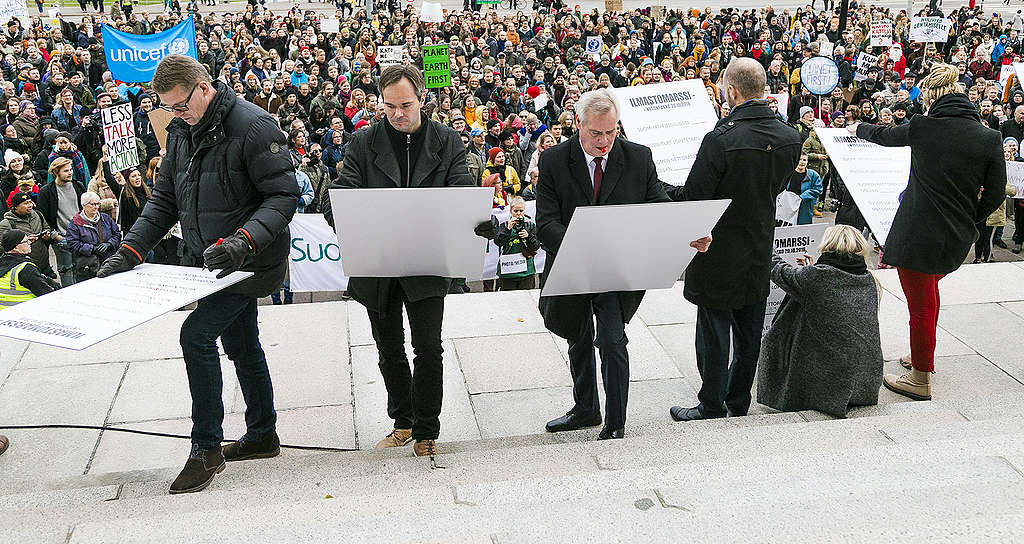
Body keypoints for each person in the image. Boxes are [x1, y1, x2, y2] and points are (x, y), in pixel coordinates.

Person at [97, 55, 299, 495]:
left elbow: (284, 197)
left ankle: (206, 447)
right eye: (168, 108)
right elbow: (164, 198)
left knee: (196, 335)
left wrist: (243, 241)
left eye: (180, 105)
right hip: (209, 261)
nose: (175, 114)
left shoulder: (254, 126)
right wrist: (130, 250)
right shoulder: (181, 130)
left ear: (204, 88)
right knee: (242, 342)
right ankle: (263, 433)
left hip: (248, 261)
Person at [320, 64, 473, 459]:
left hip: (426, 261)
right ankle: (402, 422)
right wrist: (346, 210)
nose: (397, 113)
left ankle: (426, 429)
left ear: (423, 99)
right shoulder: (362, 142)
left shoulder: (447, 140)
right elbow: (340, 196)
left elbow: (459, 194)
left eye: (405, 105)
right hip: (379, 264)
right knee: (388, 349)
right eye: (388, 106)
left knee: (428, 347)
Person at [536, 88, 697, 440]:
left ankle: (615, 422)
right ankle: (586, 409)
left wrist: (688, 231)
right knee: (576, 337)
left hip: (616, 267)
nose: (604, 141)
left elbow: (657, 203)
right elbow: (545, 223)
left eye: (611, 132)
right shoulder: (553, 161)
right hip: (572, 264)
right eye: (596, 133)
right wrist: (582, 243)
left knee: (611, 340)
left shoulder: (638, 157)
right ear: (578, 124)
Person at [850, 64, 1005, 401]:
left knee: (919, 307)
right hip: (956, 237)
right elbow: (996, 192)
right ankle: (924, 357)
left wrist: (857, 127)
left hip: (918, 234)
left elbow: (884, 135)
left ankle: (920, 379)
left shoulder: (923, 126)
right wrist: (971, 219)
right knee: (930, 296)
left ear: (934, 97)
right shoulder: (988, 136)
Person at [662, 58, 802, 422]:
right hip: (758, 243)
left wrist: (655, 184)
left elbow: (694, 198)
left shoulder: (721, 139)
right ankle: (738, 400)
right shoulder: (790, 137)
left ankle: (710, 403)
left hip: (718, 246)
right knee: (749, 329)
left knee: (713, 329)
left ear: (732, 91)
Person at [757, 225, 884, 418]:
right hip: (865, 379)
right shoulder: (868, 280)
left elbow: (777, 269)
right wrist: (813, 269)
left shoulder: (818, 277)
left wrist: (763, 243)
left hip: (831, 384)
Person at [37, 157, 84, 286]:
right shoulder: (46, 191)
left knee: (82, 269)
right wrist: (55, 236)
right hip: (62, 237)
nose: (70, 173)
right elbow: (42, 217)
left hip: (81, 236)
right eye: (66, 171)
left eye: (71, 170)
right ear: (56, 172)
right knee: (67, 271)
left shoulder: (78, 186)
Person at [66, 191, 121, 281]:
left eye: (97, 204)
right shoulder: (75, 223)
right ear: (84, 205)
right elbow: (73, 244)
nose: (96, 207)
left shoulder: (105, 218)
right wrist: (92, 249)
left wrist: (109, 244)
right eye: (92, 204)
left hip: (108, 263)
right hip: (88, 267)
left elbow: (117, 234)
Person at [0, 192, 58, 277]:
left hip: (44, 264)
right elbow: (2, 247)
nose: (30, 205)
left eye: (30, 202)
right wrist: (24, 242)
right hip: (24, 267)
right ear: (16, 207)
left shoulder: (37, 214)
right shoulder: (7, 223)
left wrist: (46, 236)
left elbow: (46, 227)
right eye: (26, 203)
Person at [492, 196, 540, 291]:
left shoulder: (530, 225)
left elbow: (536, 247)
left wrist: (528, 236)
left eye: (521, 211)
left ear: (524, 211)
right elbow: (498, 242)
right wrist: (507, 229)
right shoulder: (504, 225)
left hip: (526, 272)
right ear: (510, 211)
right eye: (516, 211)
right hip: (508, 272)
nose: (518, 214)